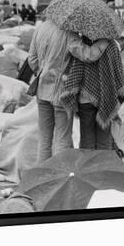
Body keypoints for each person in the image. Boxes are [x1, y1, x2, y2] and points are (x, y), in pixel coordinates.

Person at [61, 37, 124, 151]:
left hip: (85, 99)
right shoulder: (113, 46)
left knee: (87, 139)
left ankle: (87, 168)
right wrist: (119, 91)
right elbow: (119, 71)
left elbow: (75, 71)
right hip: (108, 97)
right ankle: (100, 167)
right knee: (104, 140)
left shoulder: (82, 45)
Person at [28, 21, 74, 162]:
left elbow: (32, 59)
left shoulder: (40, 28)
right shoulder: (70, 32)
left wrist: (42, 71)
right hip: (62, 90)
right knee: (62, 138)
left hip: (42, 88)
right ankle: (60, 177)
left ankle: (42, 177)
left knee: (44, 140)